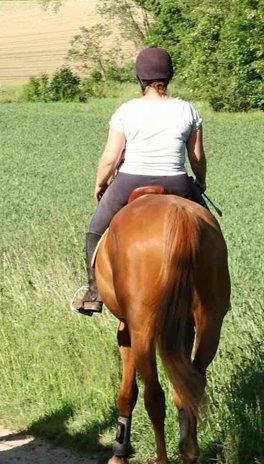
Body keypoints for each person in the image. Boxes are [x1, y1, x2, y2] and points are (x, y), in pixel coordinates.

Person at [73, 46, 208, 314]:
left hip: (130, 181)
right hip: (177, 182)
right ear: (169, 76)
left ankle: (94, 293)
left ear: (140, 78)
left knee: (95, 228)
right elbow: (197, 157)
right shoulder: (187, 109)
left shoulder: (127, 110)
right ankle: (211, 289)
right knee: (208, 227)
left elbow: (111, 159)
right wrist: (200, 181)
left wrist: (100, 185)